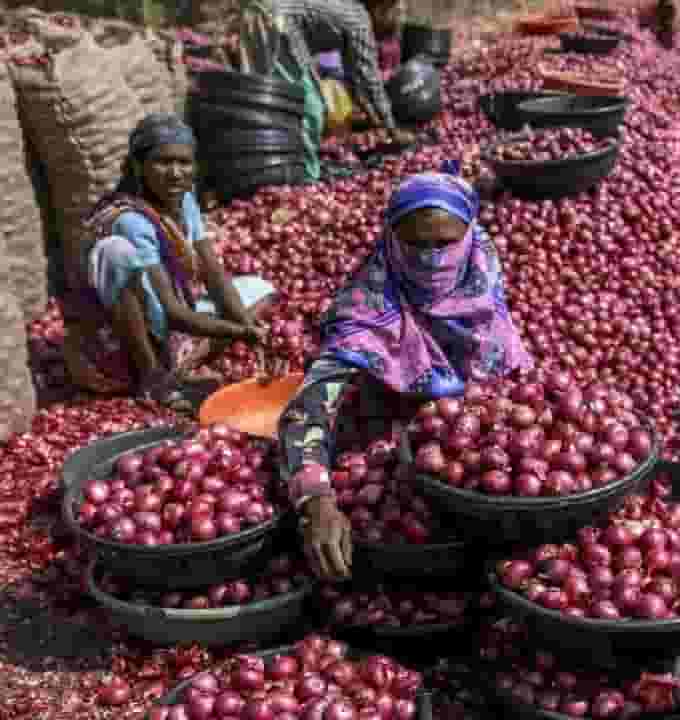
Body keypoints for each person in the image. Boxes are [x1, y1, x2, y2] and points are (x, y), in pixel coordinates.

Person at [281, 169, 533, 581]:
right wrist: (315, 500)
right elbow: (307, 411)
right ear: (390, 239)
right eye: (415, 244)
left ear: (469, 237)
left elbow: (517, 396)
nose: (431, 260)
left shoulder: (481, 284)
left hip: (479, 473)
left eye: (444, 243)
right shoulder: (366, 306)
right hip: (383, 474)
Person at [61, 114, 274, 409]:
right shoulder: (131, 221)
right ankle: (151, 375)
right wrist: (239, 332)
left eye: (184, 163)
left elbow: (213, 273)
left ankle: (178, 360)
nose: (175, 173)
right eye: (163, 162)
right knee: (116, 251)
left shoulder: (183, 200)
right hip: (119, 339)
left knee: (260, 290)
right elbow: (173, 314)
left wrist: (249, 326)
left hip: (171, 315)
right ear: (139, 166)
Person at [236, 0, 416, 178]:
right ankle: (304, 174)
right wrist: (392, 130)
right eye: (392, 12)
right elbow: (371, 82)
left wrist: (373, 119)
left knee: (270, 99)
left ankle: (263, 163)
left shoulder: (347, 9)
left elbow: (356, 80)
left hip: (257, 12)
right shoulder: (360, 20)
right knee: (311, 108)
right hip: (277, 21)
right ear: (379, 10)